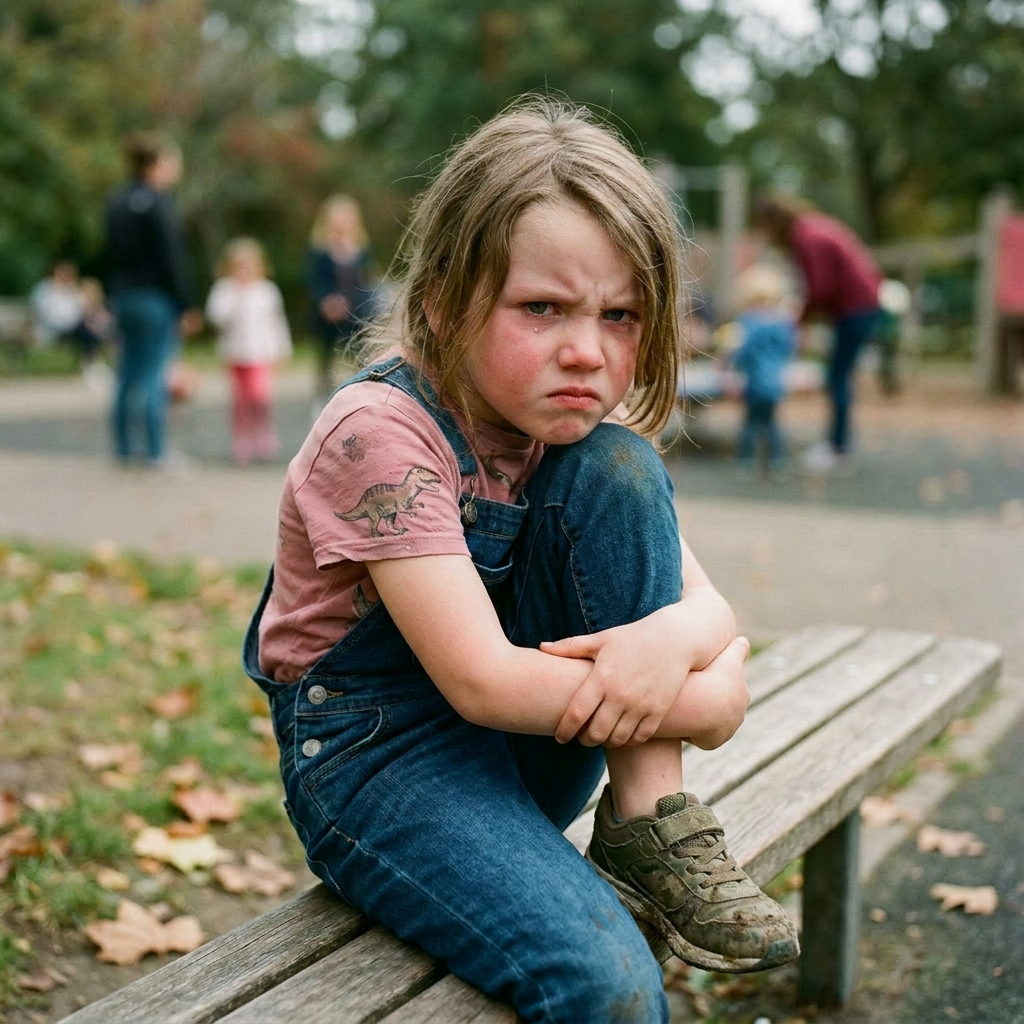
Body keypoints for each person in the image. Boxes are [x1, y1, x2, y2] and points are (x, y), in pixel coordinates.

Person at [243, 98, 799, 1024]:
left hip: (542, 742)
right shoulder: (379, 436)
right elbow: (485, 683)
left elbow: (712, 613)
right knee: (607, 989)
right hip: (383, 766)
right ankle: (615, 855)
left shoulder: (573, 430)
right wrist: (708, 697)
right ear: (441, 300)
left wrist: (679, 649)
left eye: (620, 316)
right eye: (541, 308)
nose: (586, 351)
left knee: (620, 463)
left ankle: (645, 824)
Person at [752, 193, 882, 475]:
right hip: (860, 305)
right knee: (838, 375)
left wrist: (798, 321)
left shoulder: (807, 238)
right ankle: (837, 444)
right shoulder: (812, 228)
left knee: (837, 377)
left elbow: (821, 288)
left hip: (857, 308)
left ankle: (837, 448)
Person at [102, 132, 201, 466]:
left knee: (127, 374)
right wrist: (185, 303)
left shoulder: (116, 202)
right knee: (153, 375)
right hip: (155, 300)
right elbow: (170, 260)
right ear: (156, 164)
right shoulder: (157, 205)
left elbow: (107, 255)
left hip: (124, 297)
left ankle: (124, 449)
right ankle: (156, 451)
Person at [205, 237, 292, 464]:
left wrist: (282, 349)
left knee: (260, 396)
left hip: (260, 354)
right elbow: (217, 318)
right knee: (240, 400)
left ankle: (263, 432)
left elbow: (277, 323)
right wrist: (236, 296)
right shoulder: (224, 290)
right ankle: (241, 438)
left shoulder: (267, 292)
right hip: (235, 354)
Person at [722, 265, 796, 478]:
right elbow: (787, 349)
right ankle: (776, 461)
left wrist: (731, 366)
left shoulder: (748, 322)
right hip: (774, 383)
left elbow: (741, 351)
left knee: (751, 424)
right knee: (771, 423)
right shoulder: (782, 324)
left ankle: (745, 461)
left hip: (754, 382)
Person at [307, 194, 374, 400]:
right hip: (328, 314)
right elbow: (315, 280)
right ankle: (324, 391)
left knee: (359, 352)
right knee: (326, 355)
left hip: (356, 312)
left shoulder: (361, 250)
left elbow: (366, 281)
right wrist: (327, 300)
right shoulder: (320, 250)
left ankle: (360, 390)